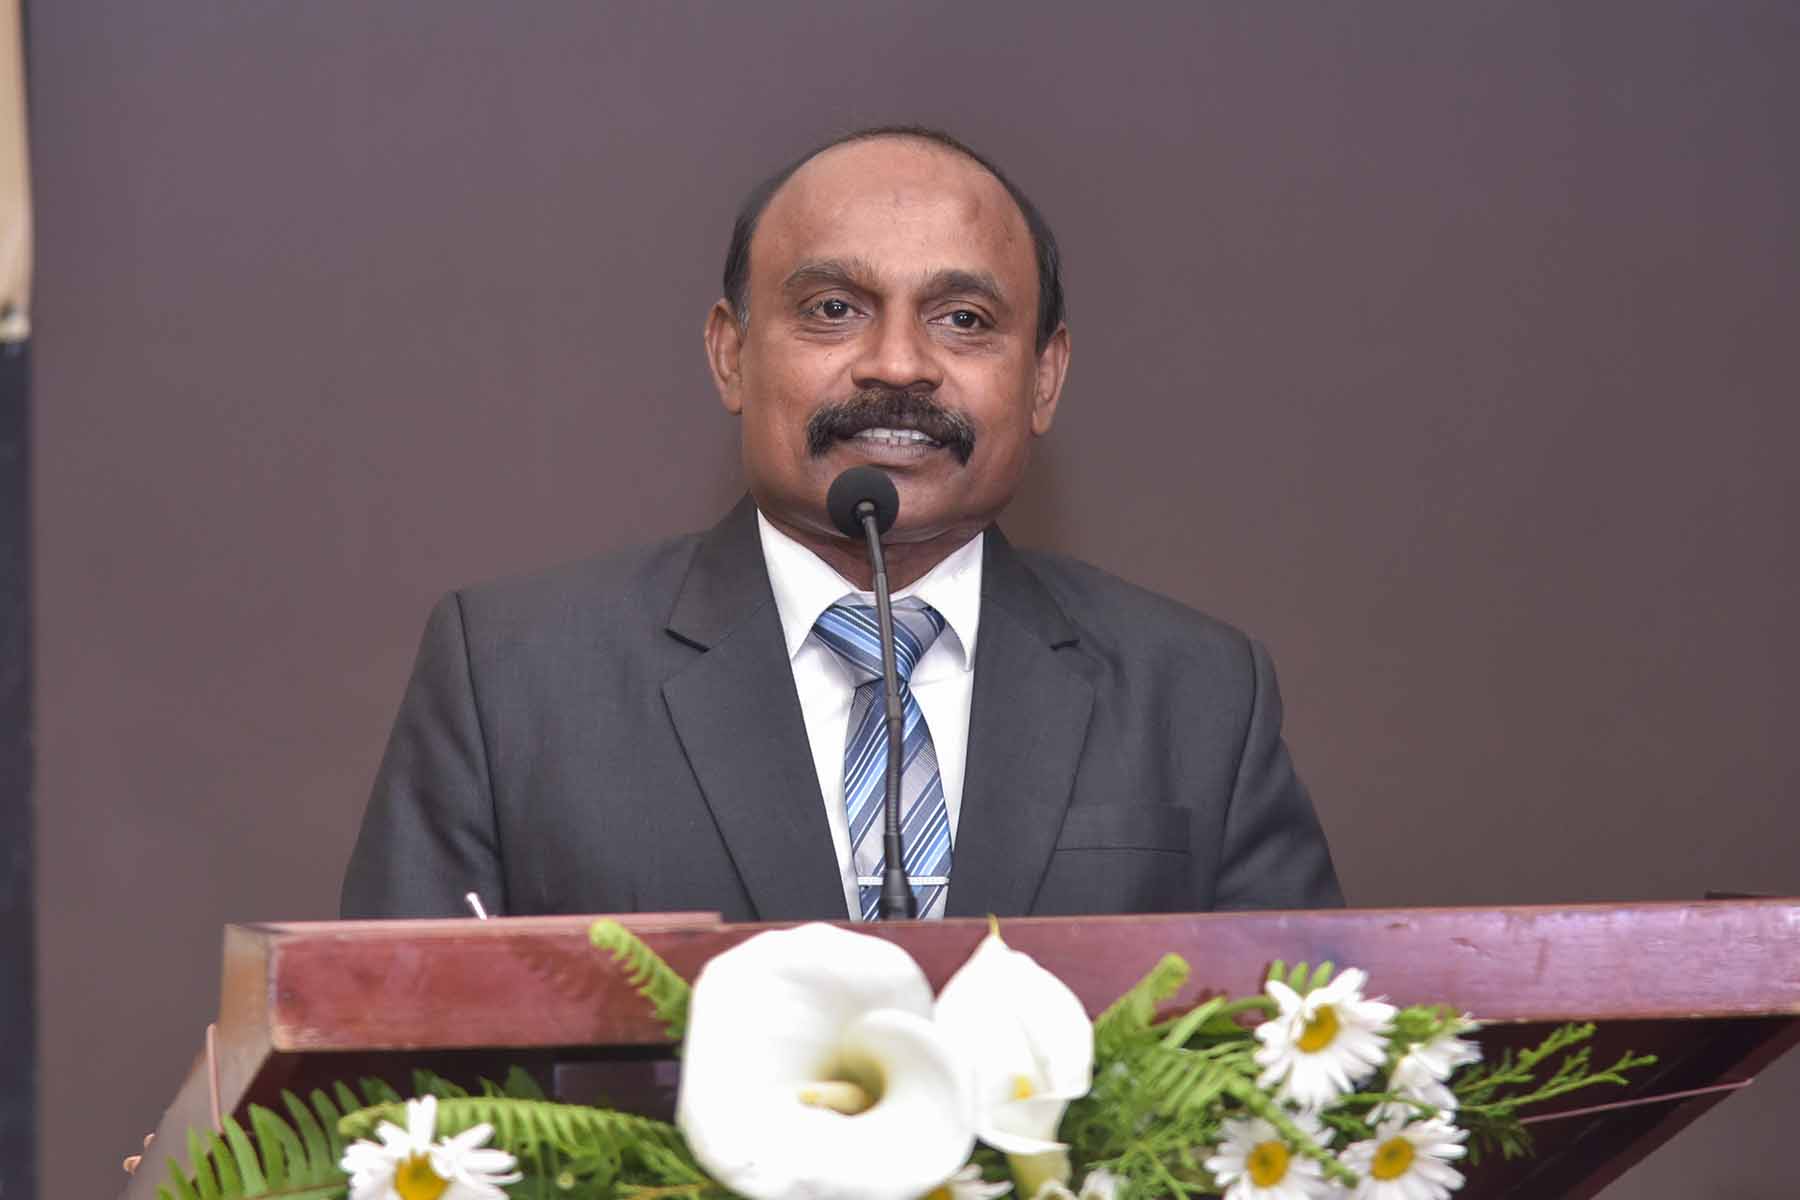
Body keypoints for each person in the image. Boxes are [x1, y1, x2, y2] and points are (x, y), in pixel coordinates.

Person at [341, 126, 1342, 922]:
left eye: (963, 319)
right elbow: (392, 1072)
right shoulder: (514, 678)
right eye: (832, 309)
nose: (898, 364)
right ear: (731, 354)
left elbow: (1304, 1073)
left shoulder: (1200, 693)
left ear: (1044, 377)